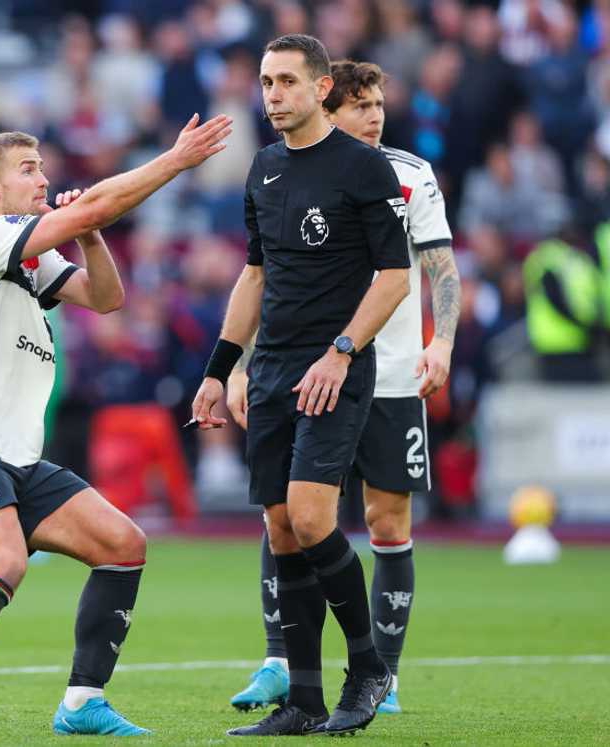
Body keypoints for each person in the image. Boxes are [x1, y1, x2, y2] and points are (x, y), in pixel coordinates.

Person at [0, 116, 232, 741]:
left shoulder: (29, 257)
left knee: (124, 545)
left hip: (14, 459)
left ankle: (82, 702)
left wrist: (94, 237)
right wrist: (175, 161)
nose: (45, 178)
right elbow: (94, 202)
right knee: (6, 561)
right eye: (29, 169)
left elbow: (106, 299)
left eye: (43, 166)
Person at [226, 59, 461, 717]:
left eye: (380, 103)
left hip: (387, 374)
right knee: (289, 515)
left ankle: (381, 671)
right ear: (330, 107)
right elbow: (261, 276)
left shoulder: (412, 174)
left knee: (386, 519)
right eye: (361, 105)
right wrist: (240, 363)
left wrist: (440, 341)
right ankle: (282, 663)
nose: (375, 115)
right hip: (302, 369)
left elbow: (439, 265)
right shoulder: (286, 170)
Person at [191, 34, 410, 737]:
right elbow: (255, 276)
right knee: (282, 530)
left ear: (320, 89)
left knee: (314, 518)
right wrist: (221, 369)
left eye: (286, 81)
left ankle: (370, 665)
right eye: (265, 82)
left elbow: (396, 277)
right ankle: (306, 701)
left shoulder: (363, 167)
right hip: (276, 369)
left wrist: (343, 352)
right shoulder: (263, 169)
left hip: (334, 368)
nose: (272, 94)